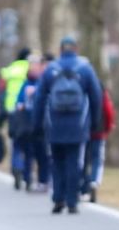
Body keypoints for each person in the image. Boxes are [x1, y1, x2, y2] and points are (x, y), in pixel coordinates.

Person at [33, 36, 103, 214]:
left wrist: (37, 124)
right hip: (78, 124)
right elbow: (96, 97)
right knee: (75, 162)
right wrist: (96, 122)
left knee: (56, 162)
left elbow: (39, 98)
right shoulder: (85, 69)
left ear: (61, 49)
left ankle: (58, 198)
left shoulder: (51, 69)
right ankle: (72, 201)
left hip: (54, 123)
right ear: (76, 49)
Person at [13, 56, 49, 191]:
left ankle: (42, 180)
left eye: (36, 66)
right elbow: (19, 101)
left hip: (41, 123)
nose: (34, 69)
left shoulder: (43, 82)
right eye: (31, 67)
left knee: (42, 155)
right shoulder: (26, 83)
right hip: (27, 123)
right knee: (28, 152)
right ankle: (27, 179)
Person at [80, 87, 116, 202]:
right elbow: (108, 110)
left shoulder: (82, 89)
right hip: (99, 131)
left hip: (83, 132)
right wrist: (108, 128)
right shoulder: (101, 91)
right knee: (97, 159)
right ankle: (94, 182)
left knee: (83, 160)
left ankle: (84, 187)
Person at [0, 48, 32, 176]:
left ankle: (16, 165)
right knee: (28, 141)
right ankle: (25, 169)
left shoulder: (11, 69)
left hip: (11, 108)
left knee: (15, 140)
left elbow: (2, 89)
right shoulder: (30, 68)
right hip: (26, 109)